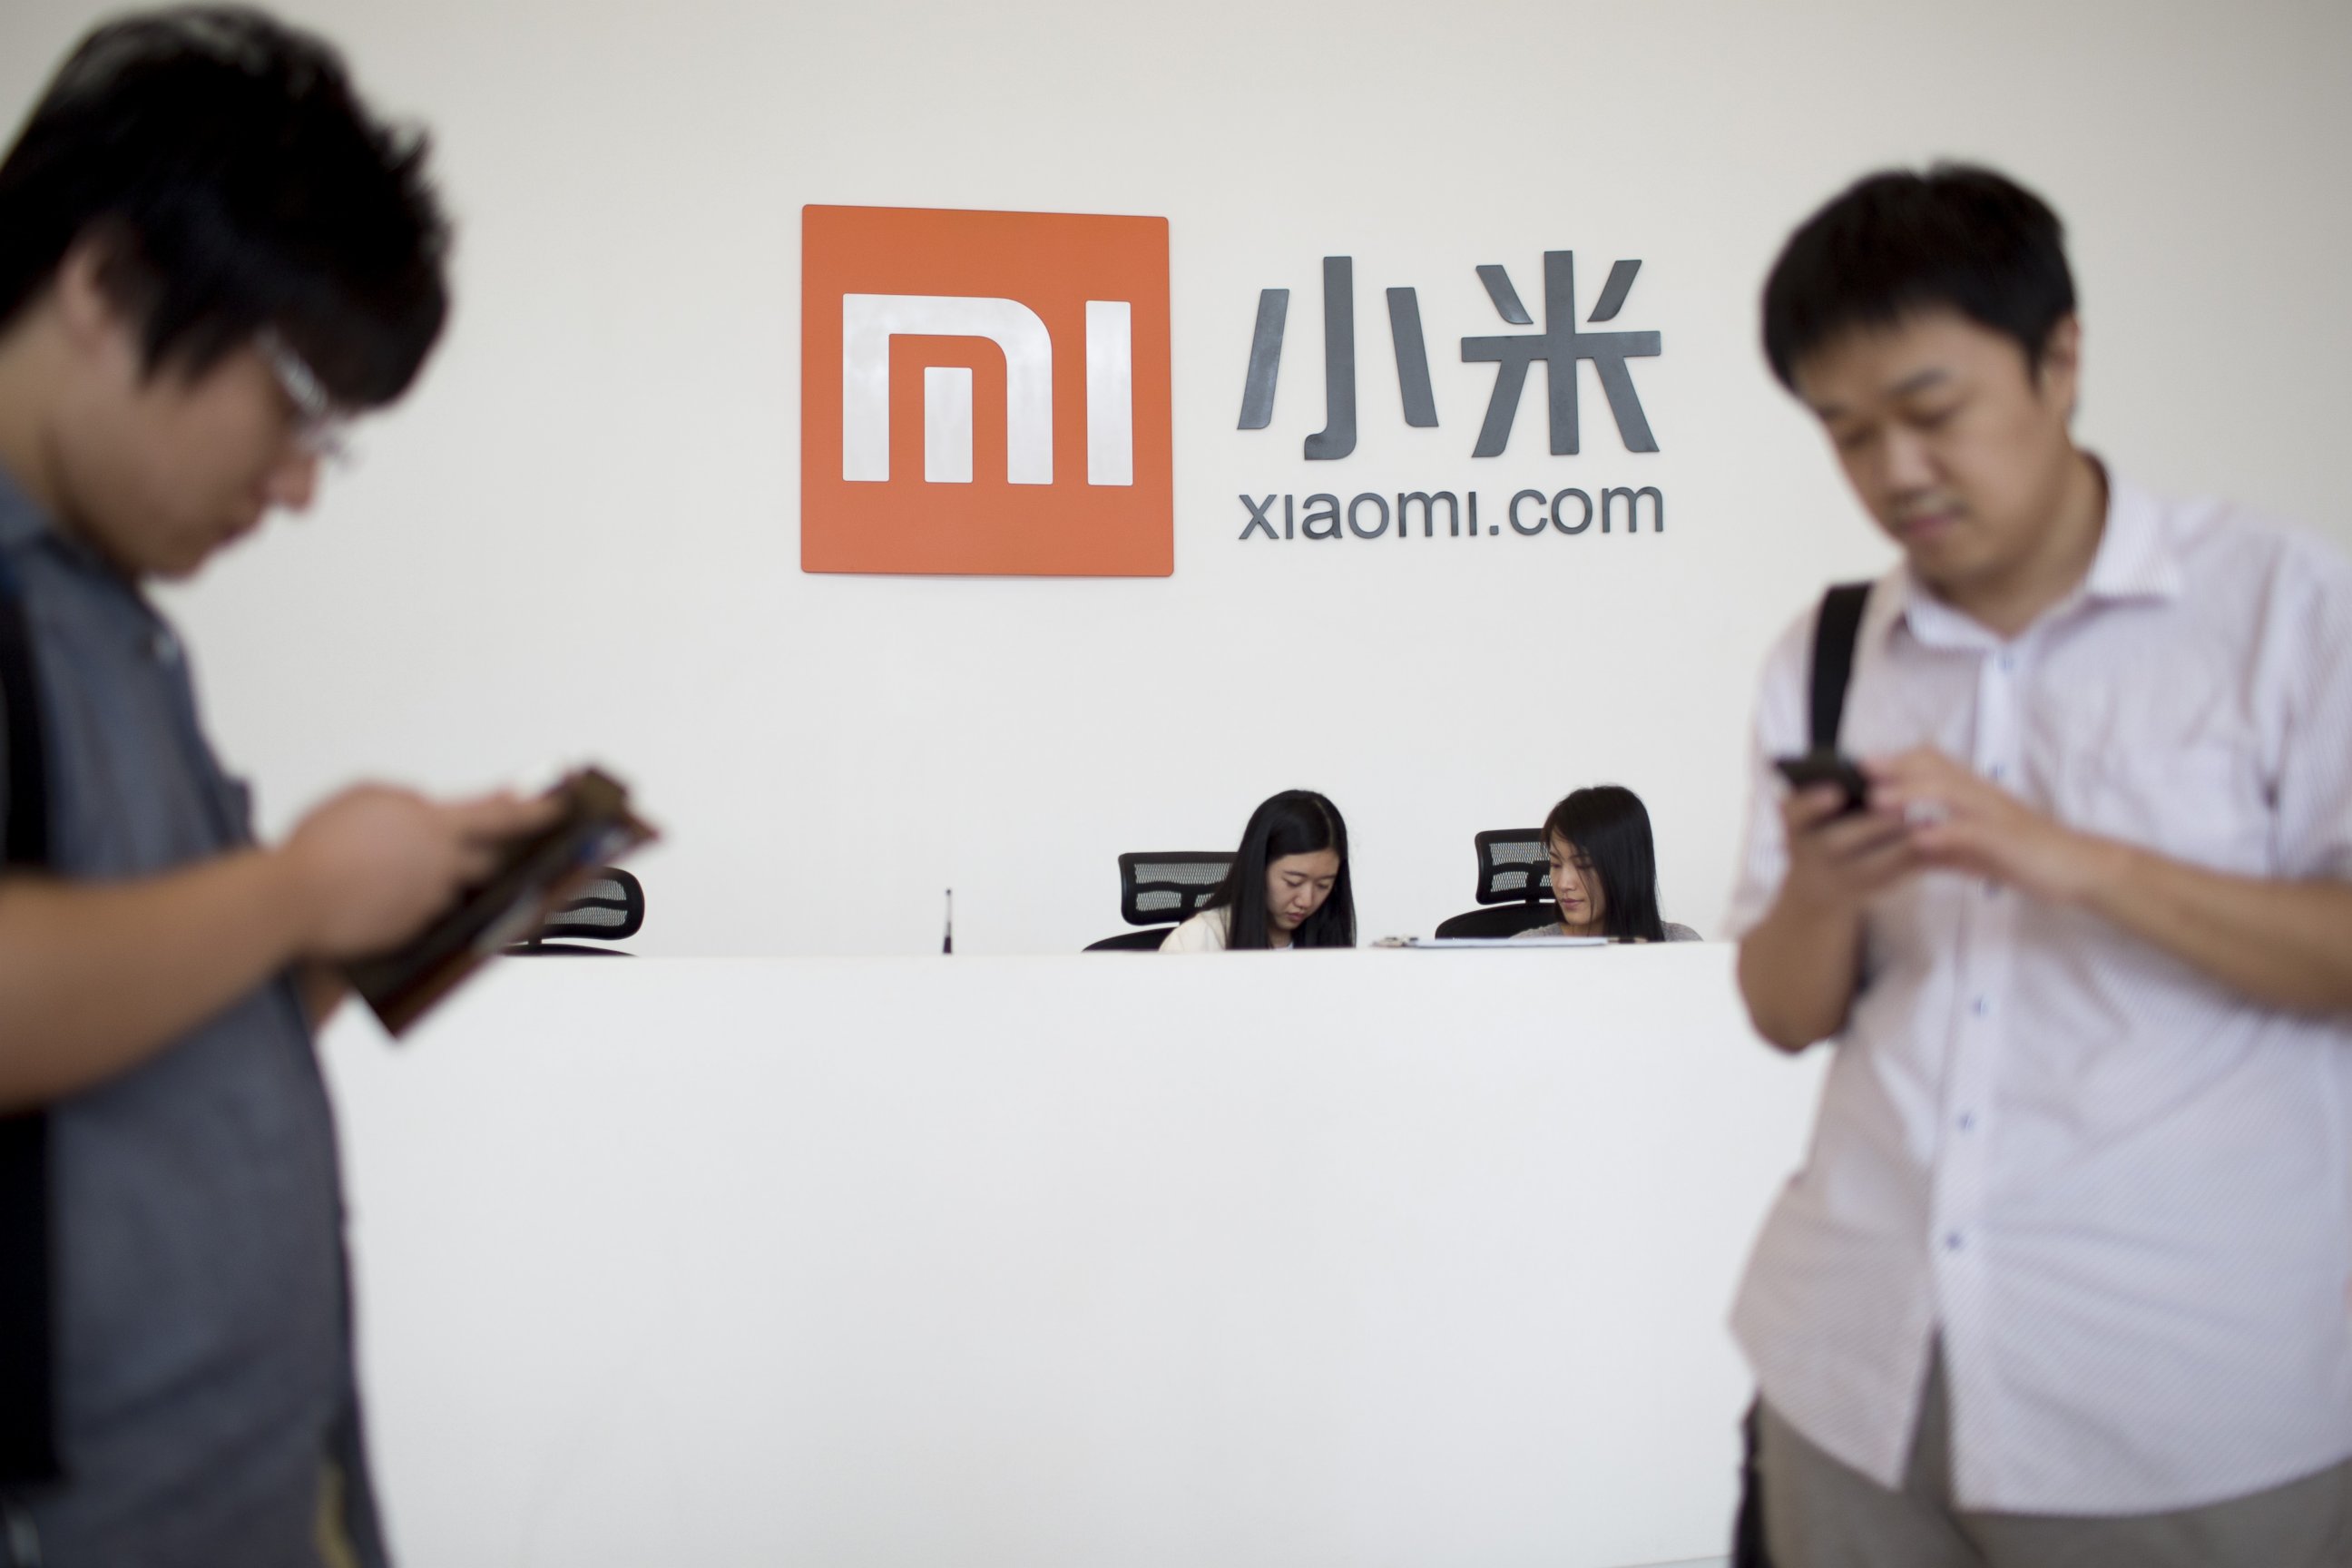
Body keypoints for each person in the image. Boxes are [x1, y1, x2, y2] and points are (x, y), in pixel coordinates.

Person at [1727, 163, 2352, 1567]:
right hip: (1854, 1372)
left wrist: (2062, 857)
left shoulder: (2282, 608)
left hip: (2183, 1403)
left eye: (1931, 411)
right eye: (1845, 433)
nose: (1895, 472)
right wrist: (1824, 889)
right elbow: (1781, 1014)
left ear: (2059, 358)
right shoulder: (1825, 658)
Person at [0, 12, 553, 1565]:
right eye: (294, 400)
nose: (300, 481)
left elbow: (123, 1022)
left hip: (255, 1488)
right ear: (105, 284)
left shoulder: (108, 625)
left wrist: (368, 934)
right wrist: (294, 885)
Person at [1161, 790, 1355, 951]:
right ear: (1258, 868)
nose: (1306, 900)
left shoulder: (1330, 942)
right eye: (1293, 882)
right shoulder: (1196, 942)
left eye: (1324, 885)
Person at [1511, 785, 1700, 941]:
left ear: (1625, 869)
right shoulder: (1526, 951)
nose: (1563, 884)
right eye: (1556, 864)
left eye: (1584, 865)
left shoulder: (1681, 945)